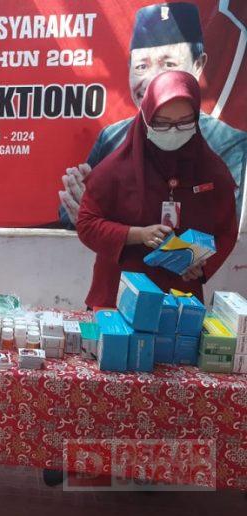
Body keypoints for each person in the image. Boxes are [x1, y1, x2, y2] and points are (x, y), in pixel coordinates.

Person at [59, 2, 247, 228]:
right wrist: (83, 209)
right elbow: (70, 215)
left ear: (198, 66)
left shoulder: (230, 144)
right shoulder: (111, 137)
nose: (153, 81)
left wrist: (105, 219)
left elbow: (222, 225)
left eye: (169, 64)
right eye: (141, 66)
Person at [77, 70, 237, 308]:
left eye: (184, 122)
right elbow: (87, 224)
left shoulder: (212, 172)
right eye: (161, 123)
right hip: (118, 298)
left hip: (180, 302)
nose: (173, 131)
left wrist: (203, 266)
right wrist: (137, 234)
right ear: (145, 117)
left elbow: (226, 232)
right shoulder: (114, 170)